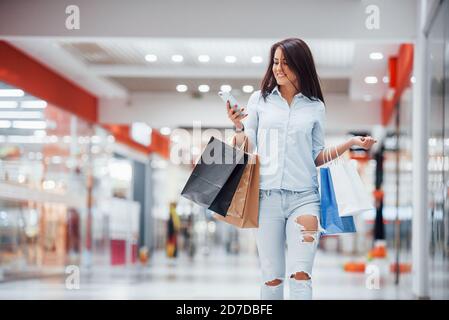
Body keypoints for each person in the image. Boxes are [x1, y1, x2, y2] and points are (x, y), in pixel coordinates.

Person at [226, 38, 376, 300]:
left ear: (300, 65)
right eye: (275, 62)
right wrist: (238, 127)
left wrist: (351, 143)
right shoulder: (259, 101)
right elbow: (249, 146)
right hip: (266, 198)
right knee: (271, 279)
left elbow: (317, 156)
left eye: (285, 62)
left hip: (305, 200)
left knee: (301, 276)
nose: (278, 68)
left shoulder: (315, 106)